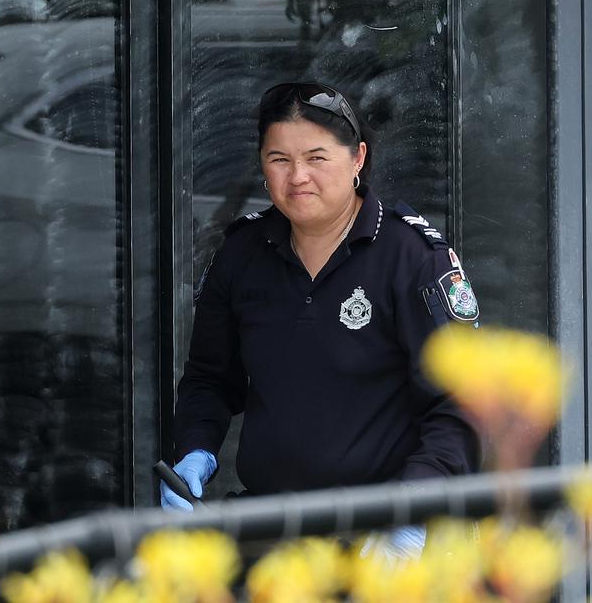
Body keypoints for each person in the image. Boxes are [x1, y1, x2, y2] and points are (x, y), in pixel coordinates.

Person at [161, 82, 481, 532]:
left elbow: (460, 403)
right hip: (273, 534)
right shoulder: (242, 254)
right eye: (279, 160)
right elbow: (209, 379)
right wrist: (196, 450)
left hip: (385, 538)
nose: (297, 177)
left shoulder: (410, 256)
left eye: (316, 158)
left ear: (358, 159)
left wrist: (416, 512)